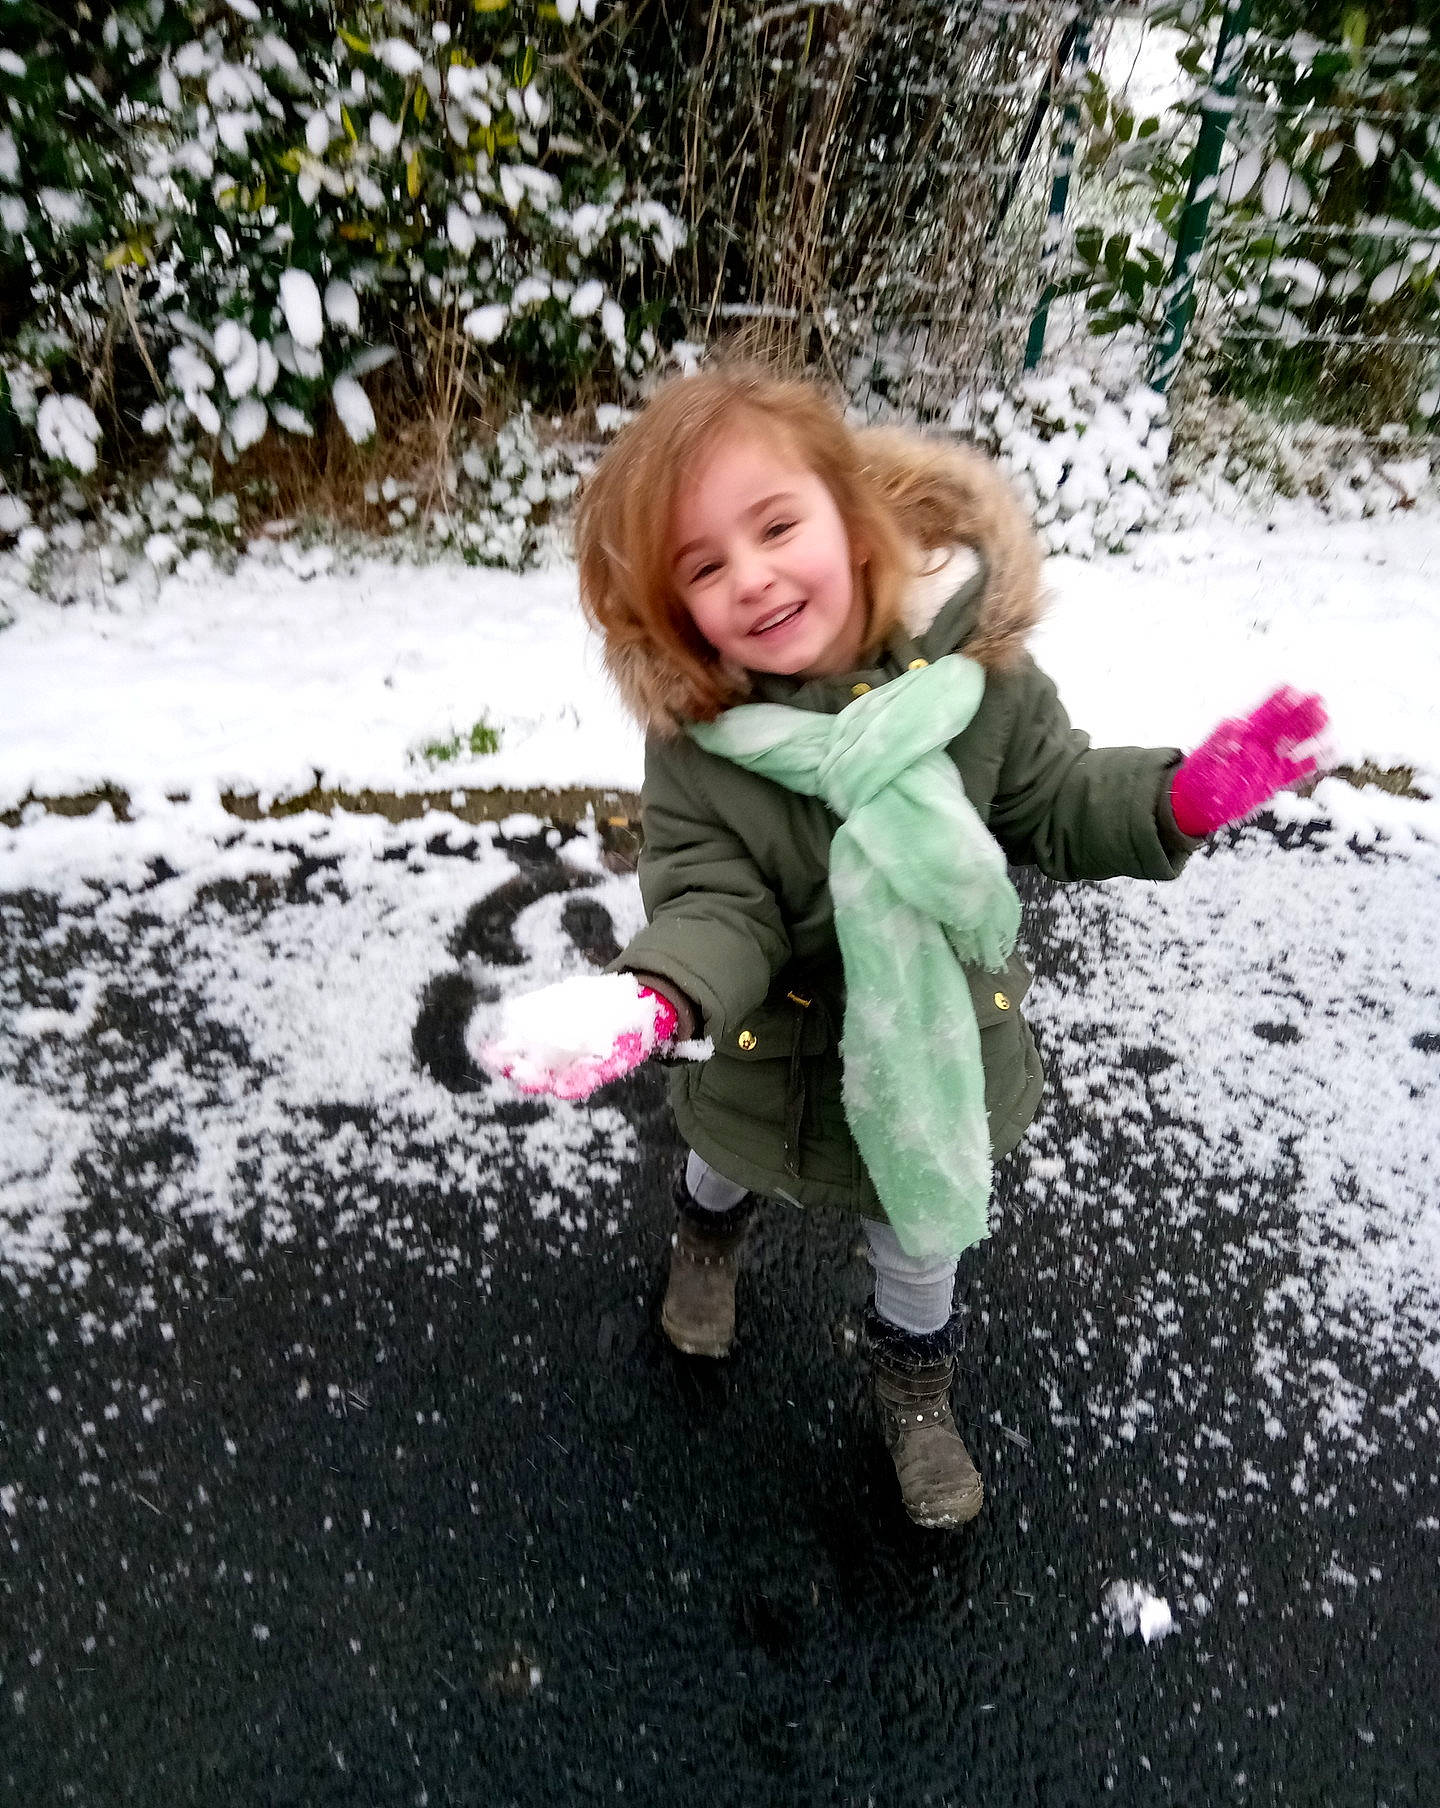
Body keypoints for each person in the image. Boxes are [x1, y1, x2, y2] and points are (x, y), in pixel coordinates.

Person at [469, 363, 1327, 1530]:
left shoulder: (979, 678)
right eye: (704, 566)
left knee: (920, 1232)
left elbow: (1060, 799)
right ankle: (706, 1239)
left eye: (777, 526)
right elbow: (720, 905)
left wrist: (1176, 801)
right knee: (726, 1157)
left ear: (852, 510)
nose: (753, 576)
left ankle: (913, 1383)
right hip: (776, 1046)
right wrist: (655, 998)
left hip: (934, 1039)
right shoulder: (706, 750)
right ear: (671, 612)